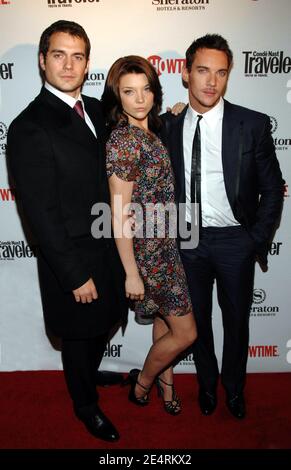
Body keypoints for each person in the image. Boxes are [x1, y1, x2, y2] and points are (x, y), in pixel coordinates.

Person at [7, 20, 127, 441]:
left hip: (109, 246)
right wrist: (73, 274)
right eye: (59, 55)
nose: (69, 65)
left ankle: (89, 376)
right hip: (72, 255)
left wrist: (173, 115)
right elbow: (39, 211)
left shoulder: (95, 108)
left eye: (77, 56)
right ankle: (84, 404)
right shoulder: (29, 126)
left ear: (87, 63)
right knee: (78, 333)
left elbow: (137, 127)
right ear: (43, 61)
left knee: (105, 320)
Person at [161, 34, 284, 419]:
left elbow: (272, 189)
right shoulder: (167, 125)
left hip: (235, 240)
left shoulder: (252, 124)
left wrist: (254, 240)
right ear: (185, 74)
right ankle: (206, 386)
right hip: (188, 240)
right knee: (196, 324)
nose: (211, 82)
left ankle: (233, 389)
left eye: (220, 73)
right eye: (202, 71)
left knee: (236, 322)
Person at [102, 55, 197, 415]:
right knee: (187, 333)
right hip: (148, 256)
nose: (140, 99)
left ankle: (166, 384)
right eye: (129, 92)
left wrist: (176, 112)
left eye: (146, 90)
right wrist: (131, 271)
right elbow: (119, 212)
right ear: (117, 98)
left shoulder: (149, 131)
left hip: (165, 247)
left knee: (162, 321)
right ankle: (142, 382)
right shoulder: (125, 142)